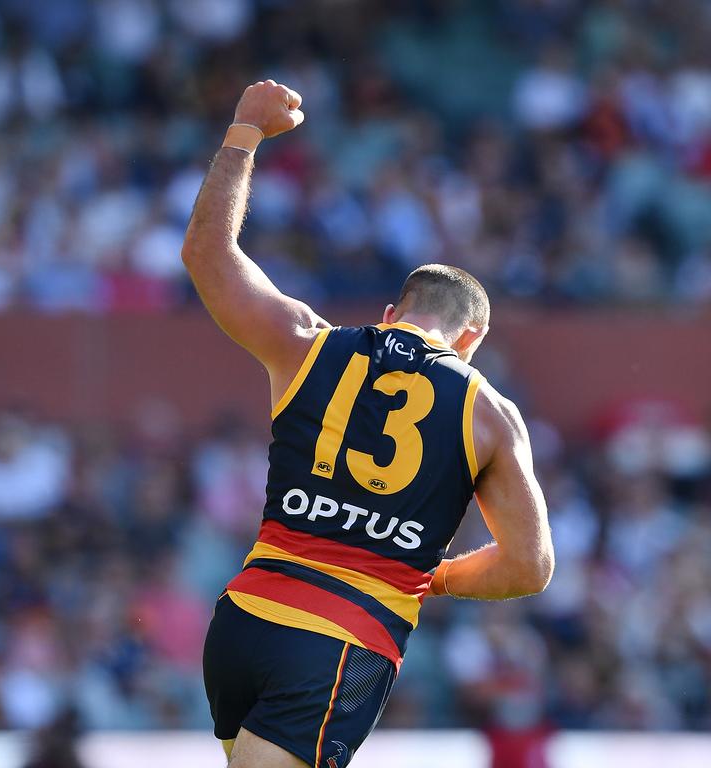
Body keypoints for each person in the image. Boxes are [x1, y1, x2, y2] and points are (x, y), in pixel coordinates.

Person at [183, 80, 554, 768]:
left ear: (391, 312)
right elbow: (529, 567)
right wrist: (431, 577)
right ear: (470, 339)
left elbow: (207, 255)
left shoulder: (307, 344)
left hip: (243, 621)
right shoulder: (490, 415)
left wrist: (244, 133)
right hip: (341, 641)